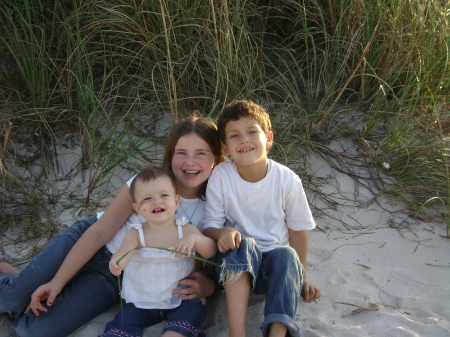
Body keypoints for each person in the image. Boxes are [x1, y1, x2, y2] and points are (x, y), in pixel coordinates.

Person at [0, 115, 224, 337]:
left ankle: (20, 276)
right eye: (181, 153)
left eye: (201, 153)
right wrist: (58, 281)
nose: (190, 162)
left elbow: (200, 263)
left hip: (116, 274)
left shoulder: (213, 208)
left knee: (34, 329)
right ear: (170, 155)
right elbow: (99, 232)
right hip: (89, 241)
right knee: (12, 298)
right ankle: (16, 279)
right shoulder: (149, 182)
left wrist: (208, 284)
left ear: (216, 156)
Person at [202, 100, 321, 337]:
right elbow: (210, 227)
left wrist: (300, 276)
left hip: (272, 271)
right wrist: (222, 233)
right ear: (225, 147)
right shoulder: (221, 176)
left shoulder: (287, 180)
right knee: (242, 242)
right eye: (234, 135)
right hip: (233, 268)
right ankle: (237, 333)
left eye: (252, 132)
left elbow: (297, 231)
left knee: (287, 254)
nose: (244, 139)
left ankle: (278, 332)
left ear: (268, 138)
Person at [101, 165, 217, 337]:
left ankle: (174, 333)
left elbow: (210, 251)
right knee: (123, 321)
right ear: (137, 208)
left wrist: (195, 240)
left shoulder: (184, 229)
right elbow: (123, 253)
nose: (157, 201)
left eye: (164, 195)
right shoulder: (136, 233)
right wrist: (116, 262)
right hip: (141, 301)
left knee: (192, 309)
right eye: (147, 198)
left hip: (178, 299)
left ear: (177, 201)